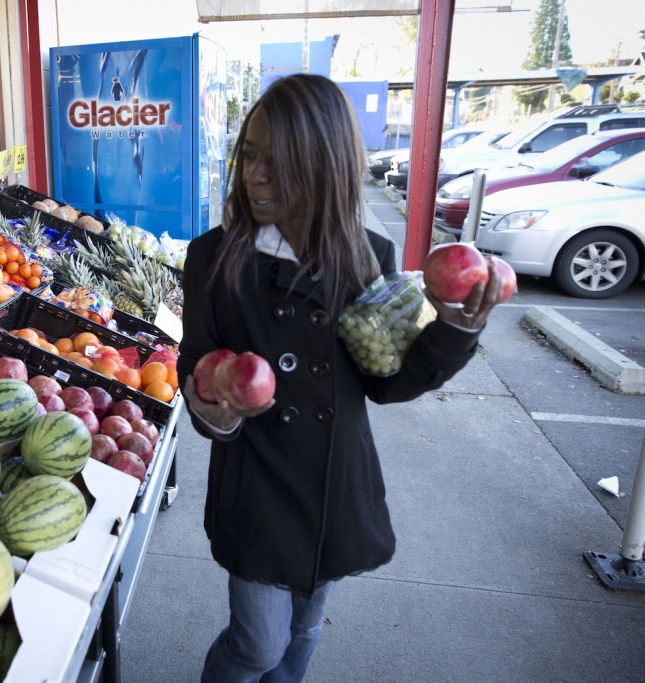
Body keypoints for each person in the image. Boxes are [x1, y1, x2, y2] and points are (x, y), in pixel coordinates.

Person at [176, 74, 504, 683]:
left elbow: (388, 382)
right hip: (259, 489)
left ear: (324, 165)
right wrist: (216, 404)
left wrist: (455, 330)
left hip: (335, 484)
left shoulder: (366, 257)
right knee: (256, 647)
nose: (255, 174)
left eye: (279, 161)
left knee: (302, 630)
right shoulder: (215, 259)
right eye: (249, 154)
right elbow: (194, 364)